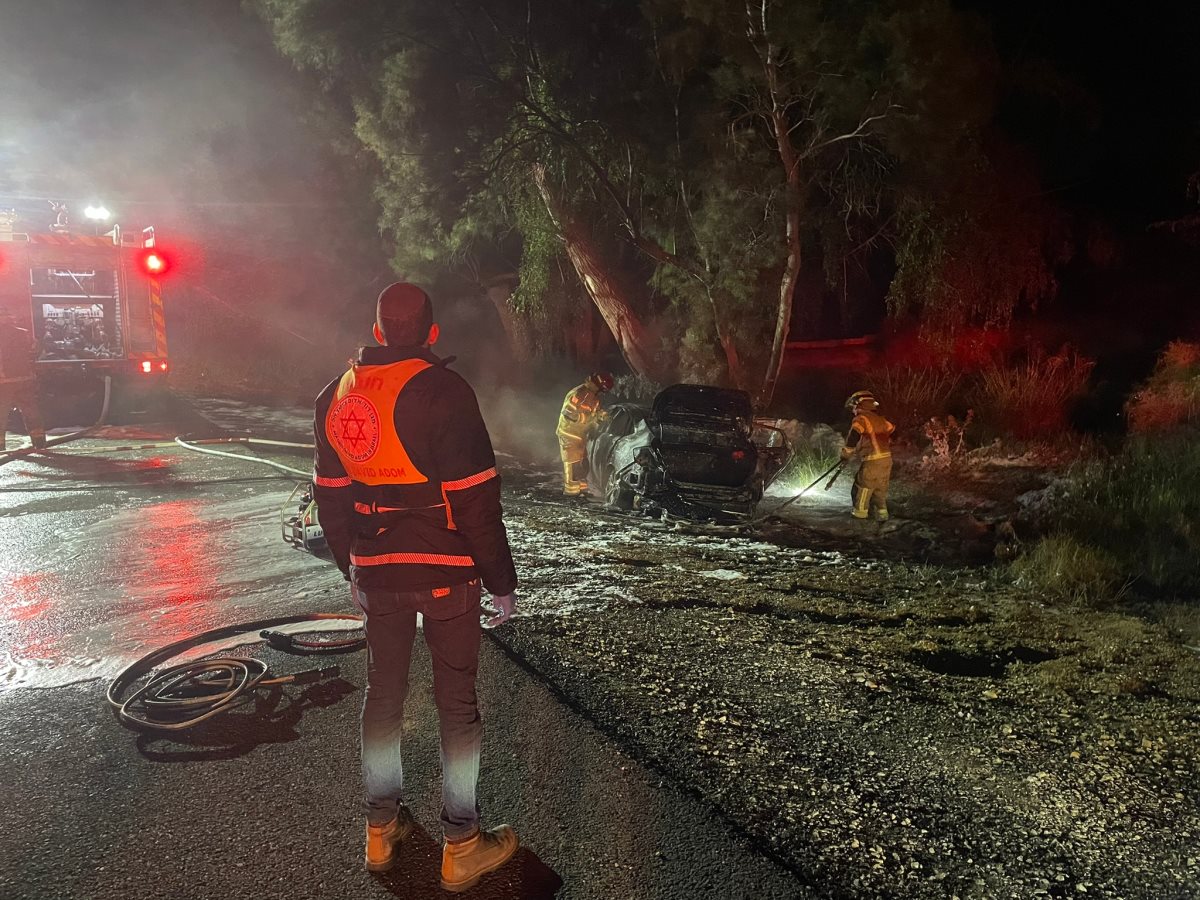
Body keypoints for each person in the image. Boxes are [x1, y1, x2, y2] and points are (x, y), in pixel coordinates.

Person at [313, 282, 520, 890]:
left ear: (378, 331)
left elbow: (330, 501)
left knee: (383, 698)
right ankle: (462, 843)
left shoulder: (337, 394)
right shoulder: (444, 391)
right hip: (446, 574)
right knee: (457, 706)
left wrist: (352, 565)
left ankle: (380, 830)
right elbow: (476, 500)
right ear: (432, 334)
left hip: (377, 573)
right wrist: (501, 582)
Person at [555, 371, 613, 496]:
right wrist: (588, 419)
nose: (601, 393)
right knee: (572, 464)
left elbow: (594, 414)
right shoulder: (579, 393)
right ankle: (571, 493)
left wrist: (600, 417)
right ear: (596, 385)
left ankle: (581, 491)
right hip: (569, 433)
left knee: (582, 465)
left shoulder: (594, 397)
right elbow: (569, 413)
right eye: (601, 389)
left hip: (580, 435)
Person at [839, 390, 895, 521]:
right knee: (880, 490)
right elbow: (890, 428)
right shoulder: (881, 420)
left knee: (863, 487)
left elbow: (853, 436)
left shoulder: (861, 419)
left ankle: (859, 519)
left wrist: (846, 454)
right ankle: (882, 517)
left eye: (853, 406)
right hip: (887, 460)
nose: (853, 410)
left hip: (872, 460)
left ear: (859, 404)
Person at [0, 312, 46, 451]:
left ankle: (1, 446)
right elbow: (36, 351)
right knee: (31, 410)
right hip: (25, 379)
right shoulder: (24, 334)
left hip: (4, 380)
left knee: (1, 413)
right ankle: (39, 442)